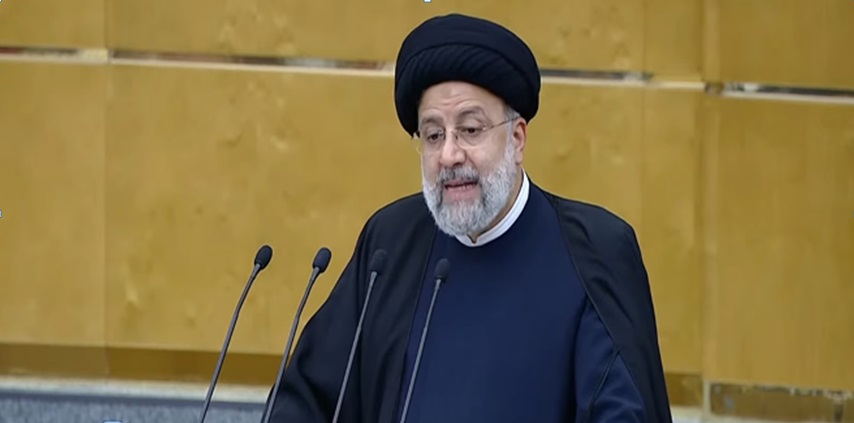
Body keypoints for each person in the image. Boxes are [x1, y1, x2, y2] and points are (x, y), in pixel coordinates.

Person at [267, 13, 672, 423]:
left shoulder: (595, 253)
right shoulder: (389, 243)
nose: (449, 155)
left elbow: (621, 412)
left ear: (517, 139)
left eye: (471, 130)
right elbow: (309, 400)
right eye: (434, 135)